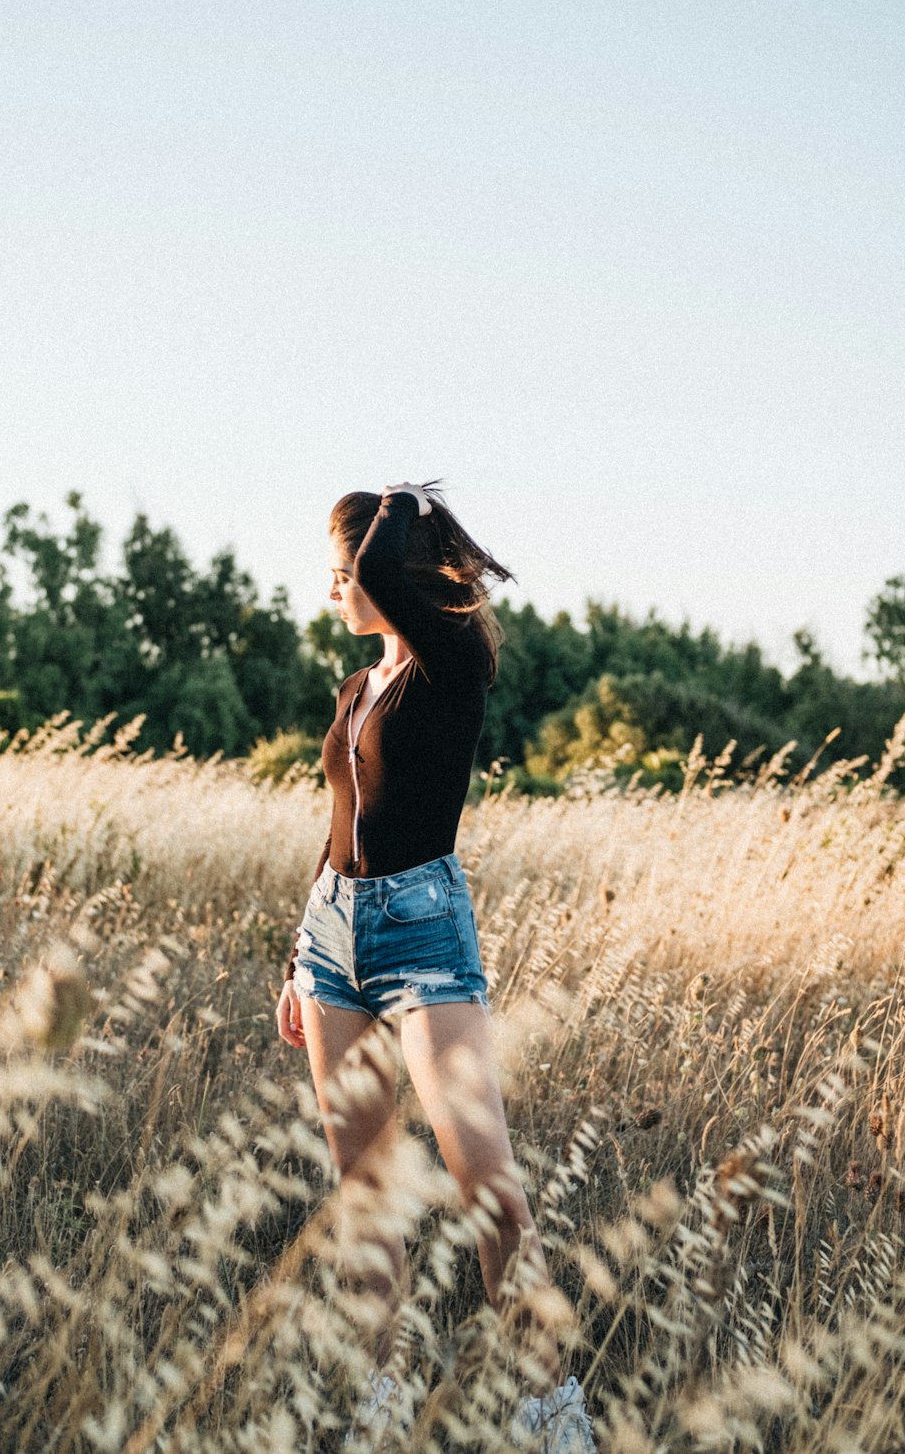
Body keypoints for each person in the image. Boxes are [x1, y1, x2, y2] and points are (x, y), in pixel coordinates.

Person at [276, 482, 594, 1452]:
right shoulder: (357, 686)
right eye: (333, 571)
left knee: (488, 1187)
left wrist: (405, 499)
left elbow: (377, 563)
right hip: (335, 941)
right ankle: (387, 1395)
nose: (338, 585)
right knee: (364, 1193)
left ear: (396, 573)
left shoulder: (450, 662)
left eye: (350, 569)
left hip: (424, 938)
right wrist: (301, 953)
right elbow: (339, 831)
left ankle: (552, 1407)